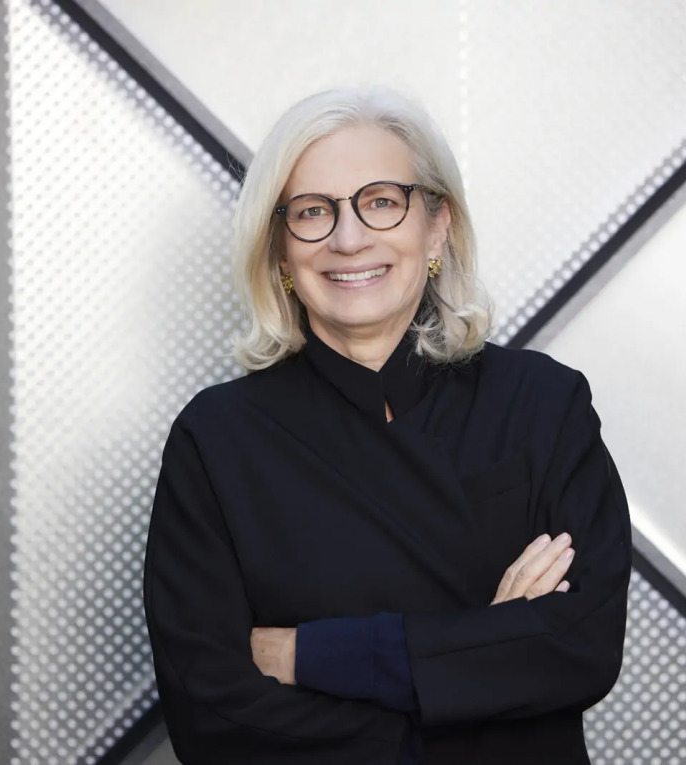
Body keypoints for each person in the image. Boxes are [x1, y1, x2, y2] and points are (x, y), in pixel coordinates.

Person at [142, 86, 632, 765]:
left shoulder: (543, 402)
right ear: (279, 249)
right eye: (312, 211)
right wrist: (484, 664)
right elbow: (212, 715)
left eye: (380, 202)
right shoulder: (217, 440)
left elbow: (580, 646)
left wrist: (309, 654)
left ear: (437, 226)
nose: (348, 239)